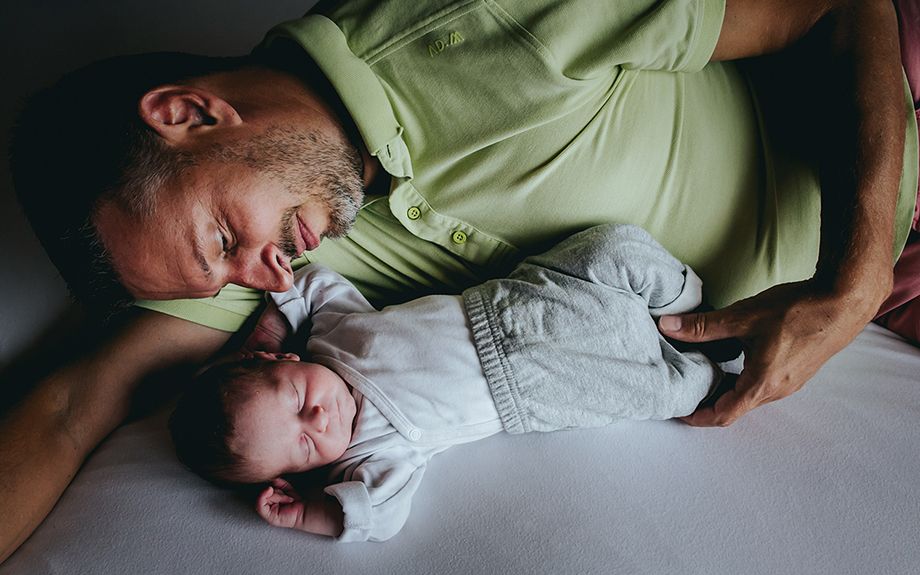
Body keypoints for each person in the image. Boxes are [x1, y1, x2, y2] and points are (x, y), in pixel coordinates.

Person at [1, 0, 916, 563]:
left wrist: (857, 274)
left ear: (193, 113)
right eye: (227, 273)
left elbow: (846, 9)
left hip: (894, 132)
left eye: (222, 235)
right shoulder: (301, 256)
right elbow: (73, 405)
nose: (264, 274)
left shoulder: (486, 24)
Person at [169, 224, 734, 542]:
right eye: (302, 446)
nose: (317, 419)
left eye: (296, 398)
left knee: (614, 246)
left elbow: (314, 282)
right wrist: (309, 511)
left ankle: (690, 305)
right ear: (303, 471)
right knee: (653, 390)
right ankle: (710, 372)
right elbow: (380, 516)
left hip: (514, 300)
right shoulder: (373, 453)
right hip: (538, 387)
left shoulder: (333, 333)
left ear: (284, 359)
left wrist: (275, 317)